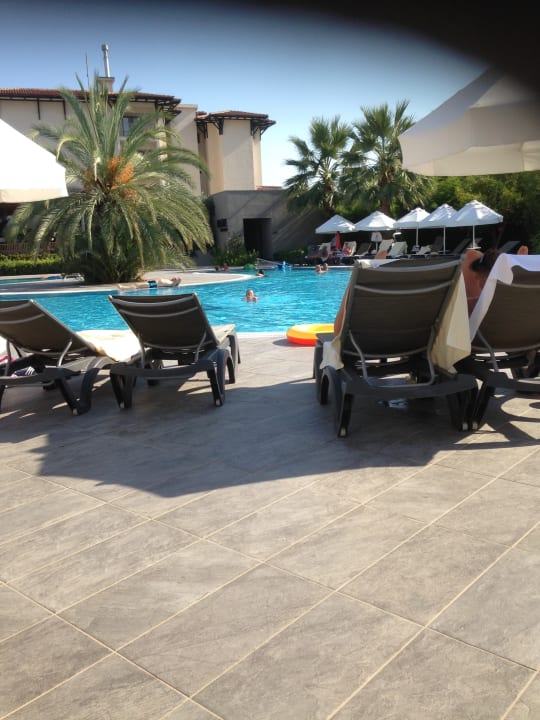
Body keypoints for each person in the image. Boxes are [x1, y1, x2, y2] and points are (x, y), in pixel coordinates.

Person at [462, 245, 529, 314]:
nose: (477, 280)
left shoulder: (476, 305)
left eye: (480, 276)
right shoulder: (521, 300)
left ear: (492, 277)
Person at [117, 276, 182, 290]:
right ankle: (124, 287)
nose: (175, 277)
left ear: (176, 282)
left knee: (137, 286)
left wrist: (178, 282)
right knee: (137, 284)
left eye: (177, 278)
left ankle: (123, 288)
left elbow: (175, 285)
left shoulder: (172, 284)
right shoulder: (169, 281)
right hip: (153, 282)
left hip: (154, 284)